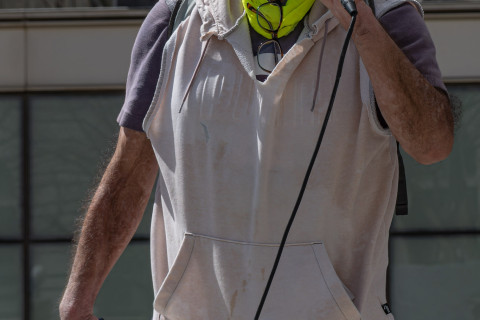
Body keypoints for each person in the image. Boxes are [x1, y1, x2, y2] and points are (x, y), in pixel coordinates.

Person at [59, 0, 454, 318]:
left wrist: (361, 24)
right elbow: (128, 172)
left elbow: (432, 144)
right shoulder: (175, 17)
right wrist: (78, 298)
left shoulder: (385, 16)